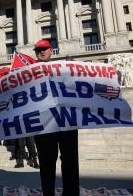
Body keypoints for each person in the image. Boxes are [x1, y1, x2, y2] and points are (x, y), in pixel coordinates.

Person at [32, 39, 79, 196]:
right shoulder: (29, 72)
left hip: (67, 120)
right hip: (44, 123)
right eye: (38, 50)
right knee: (46, 164)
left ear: (51, 50)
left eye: (45, 49)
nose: (42, 52)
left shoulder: (64, 69)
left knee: (70, 162)